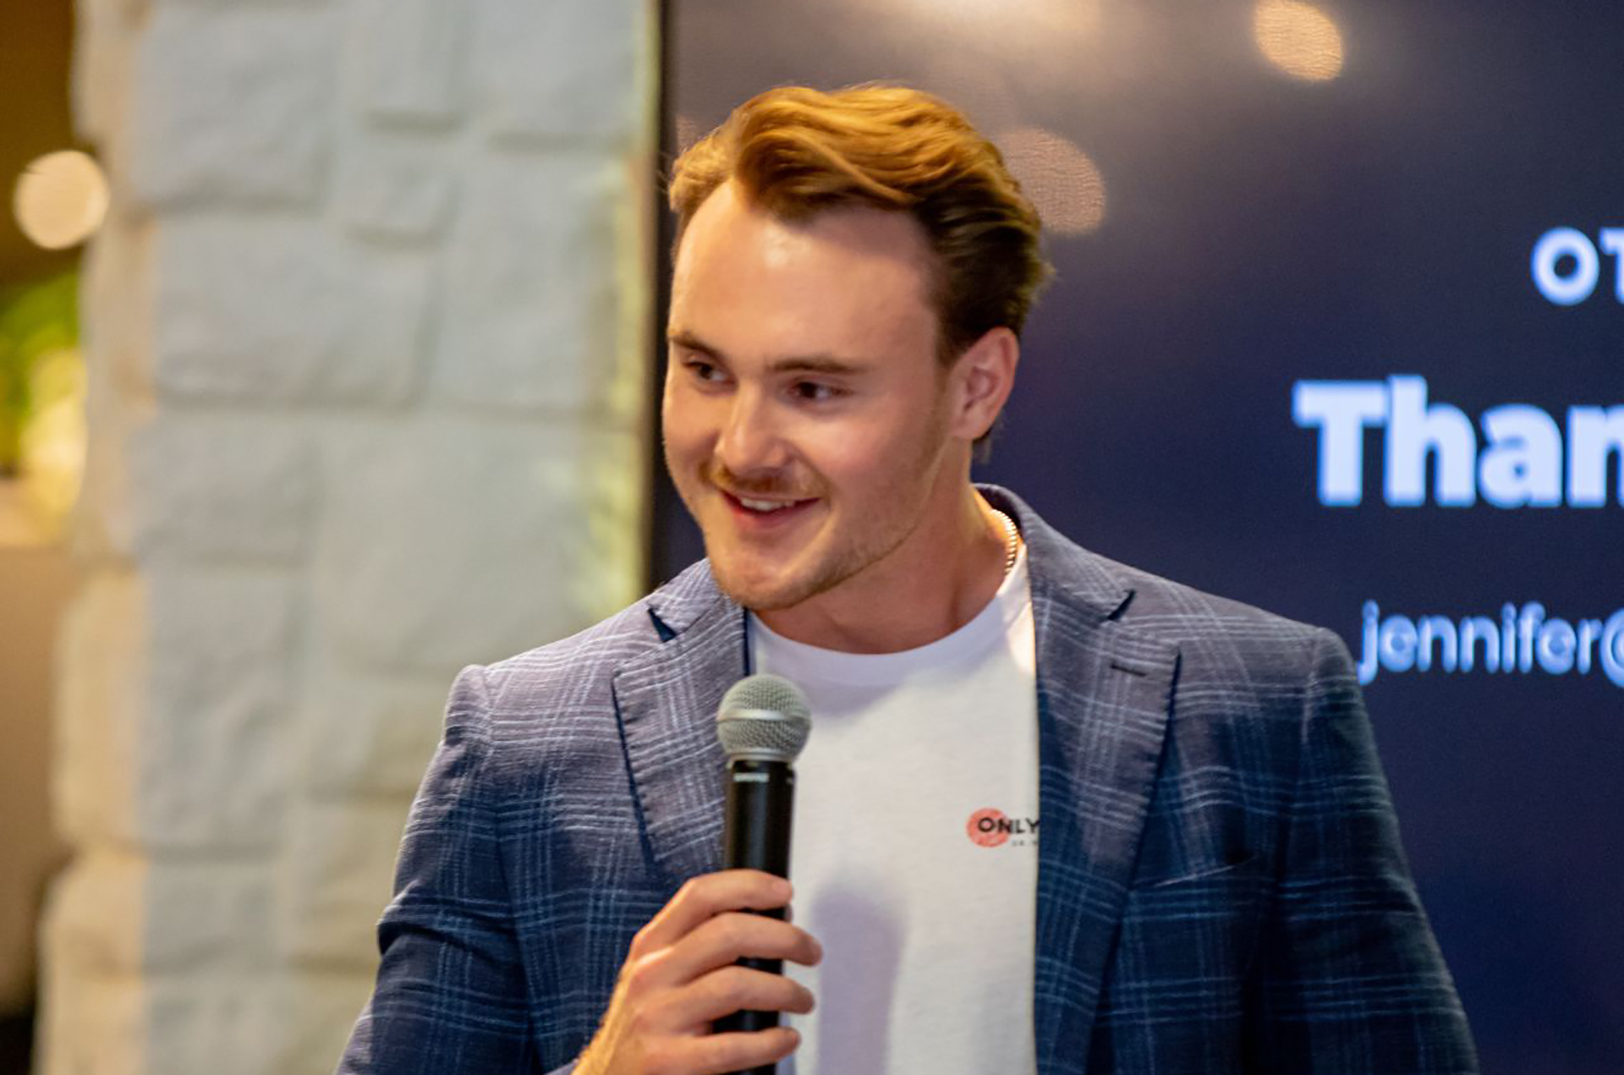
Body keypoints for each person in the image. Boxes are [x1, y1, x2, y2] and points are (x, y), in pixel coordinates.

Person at [337, 84, 1478, 1075]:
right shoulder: (525, 740)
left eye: (814, 389)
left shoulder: (1256, 708)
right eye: (704, 369)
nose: (741, 447)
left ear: (976, 386)